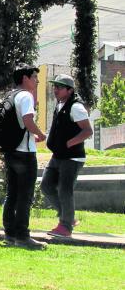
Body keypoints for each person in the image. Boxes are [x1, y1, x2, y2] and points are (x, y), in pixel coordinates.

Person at [2, 64, 47, 249]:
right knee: (25, 196)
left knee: (11, 194)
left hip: (11, 151)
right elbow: (28, 120)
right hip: (25, 154)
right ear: (25, 78)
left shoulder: (10, 96)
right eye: (34, 77)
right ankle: (23, 236)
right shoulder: (26, 96)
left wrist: (31, 134)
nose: (37, 81)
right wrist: (41, 134)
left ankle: (9, 234)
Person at [41, 74, 92, 238]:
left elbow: (87, 131)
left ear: (69, 90)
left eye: (59, 87)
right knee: (46, 185)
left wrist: (71, 143)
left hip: (72, 157)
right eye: (54, 86)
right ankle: (68, 218)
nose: (55, 89)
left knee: (65, 190)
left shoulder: (76, 107)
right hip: (58, 155)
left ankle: (65, 227)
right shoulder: (60, 105)